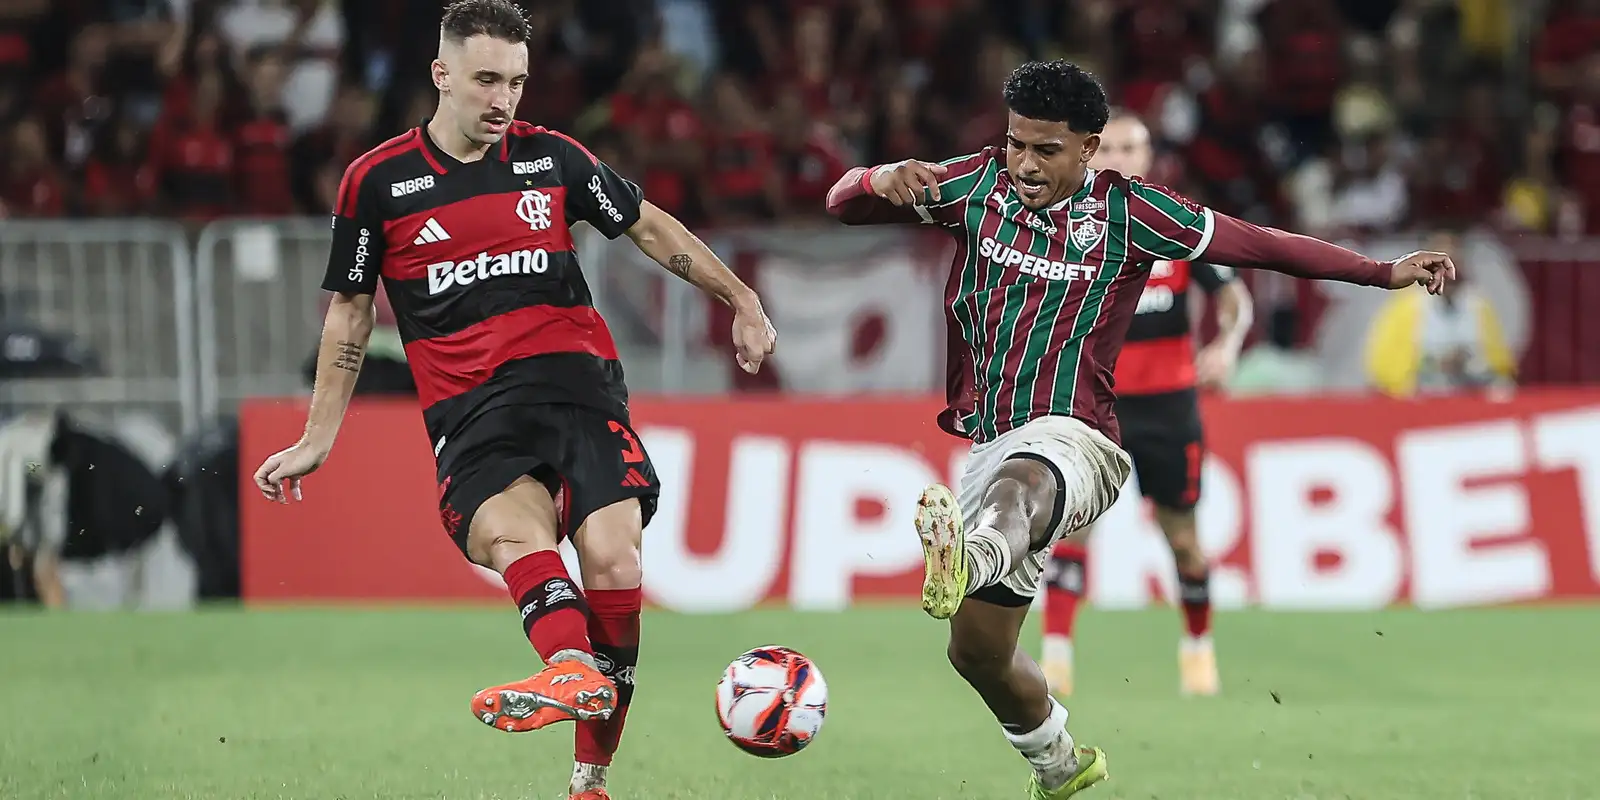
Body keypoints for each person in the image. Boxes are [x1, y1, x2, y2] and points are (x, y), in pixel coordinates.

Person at [825, 60, 1452, 799]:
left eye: (1047, 150)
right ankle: (1061, 763)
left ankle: (976, 552)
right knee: (978, 654)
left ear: (1089, 148)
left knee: (1028, 472)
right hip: (990, 445)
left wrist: (1381, 273)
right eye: (1017, 143)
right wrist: (879, 176)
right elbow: (842, 204)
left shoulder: (1133, 213)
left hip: (1080, 440)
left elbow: (1259, 244)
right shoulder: (974, 183)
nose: (1025, 163)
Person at [250, 3, 777, 799]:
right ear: (442, 75)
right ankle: (571, 673)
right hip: (471, 412)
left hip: (578, 388)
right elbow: (350, 314)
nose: (504, 100)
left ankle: (588, 766)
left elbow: (646, 228)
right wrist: (318, 436)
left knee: (613, 558)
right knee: (507, 533)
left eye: (518, 83)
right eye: (487, 80)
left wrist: (740, 296)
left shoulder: (553, 160)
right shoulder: (378, 183)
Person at [1037, 110, 1254, 699]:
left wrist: (1227, 344)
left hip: (1168, 407)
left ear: (1148, 156)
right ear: (1087, 153)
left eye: (1133, 147)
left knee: (1181, 538)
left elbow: (1233, 296)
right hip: (1093, 406)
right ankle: (1055, 659)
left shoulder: (1175, 226)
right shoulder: (1059, 228)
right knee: (1074, 528)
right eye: (1108, 147)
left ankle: (1198, 648)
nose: (1120, 157)